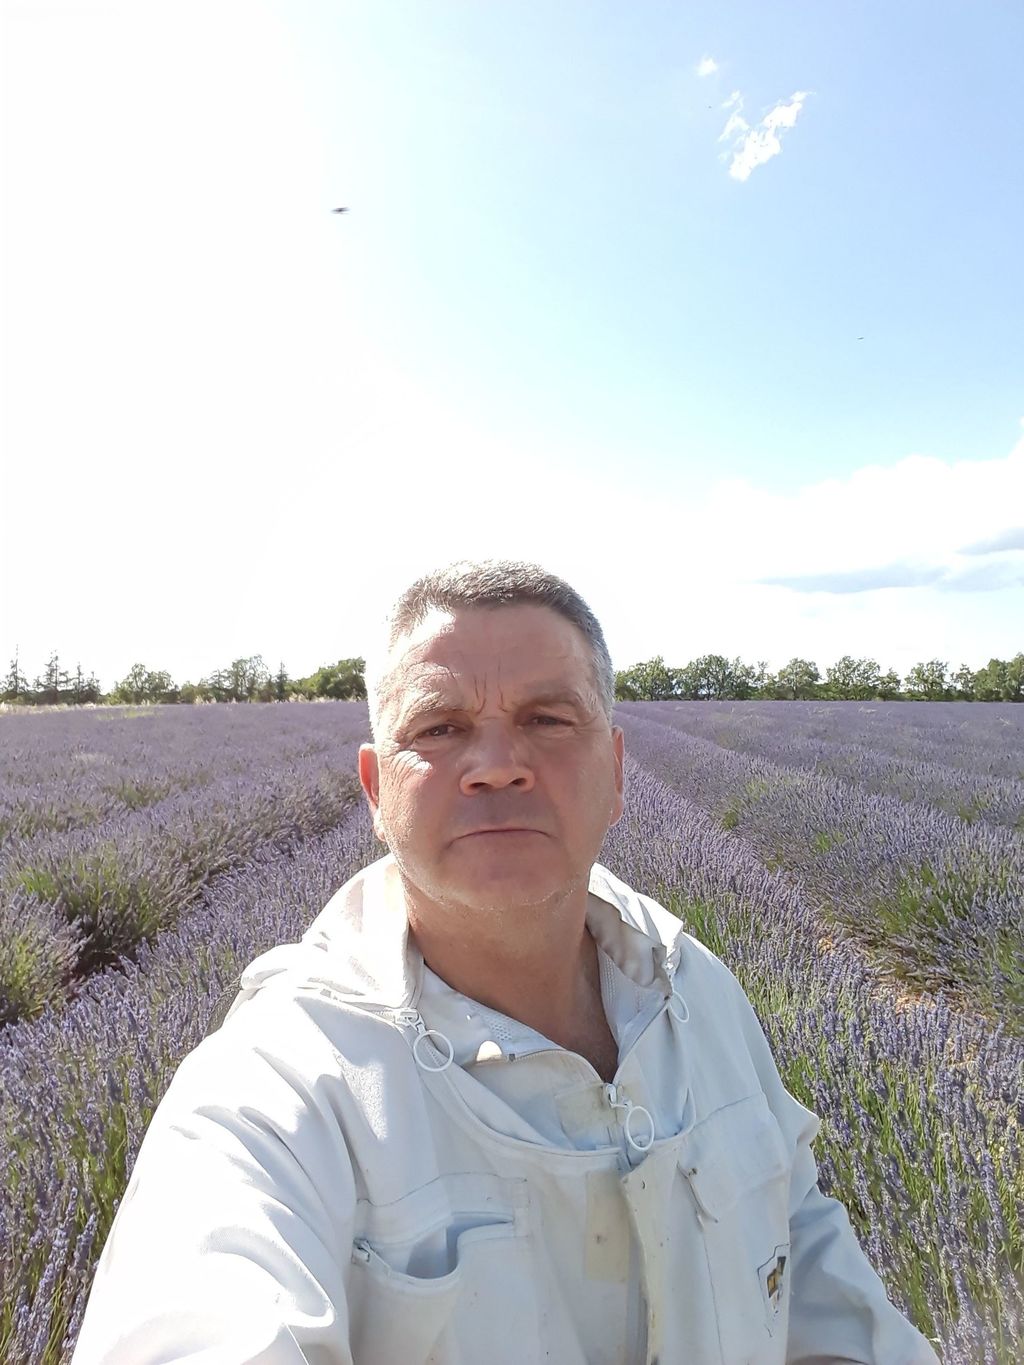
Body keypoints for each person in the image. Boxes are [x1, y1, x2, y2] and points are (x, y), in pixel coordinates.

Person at [72, 559, 940, 1364]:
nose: (495, 766)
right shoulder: (277, 1089)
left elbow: (812, 1268)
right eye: (441, 728)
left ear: (615, 768)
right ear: (376, 791)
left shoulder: (697, 988)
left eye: (547, 719)